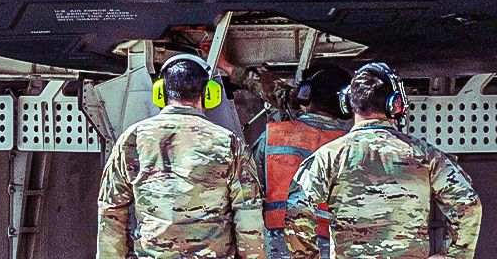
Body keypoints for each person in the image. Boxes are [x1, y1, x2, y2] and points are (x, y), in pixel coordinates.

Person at [285, 62, 481, 259]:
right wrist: (452, 256)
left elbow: (297, 207)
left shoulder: (329, 156)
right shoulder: (425, 155)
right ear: (395, 104)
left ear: (348, 104)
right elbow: (467, 205)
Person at [99, 53, 266, 259]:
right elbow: (248, 211)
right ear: (207, 94)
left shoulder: (133, 139)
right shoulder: (228, 142)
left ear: (160, 92)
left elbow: (111, 210)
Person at [253, 63, 352, 259]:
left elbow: (250, 191)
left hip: (279, 244)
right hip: (333, 245)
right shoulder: (351, 146)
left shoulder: (273, 136)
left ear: (305, 95)